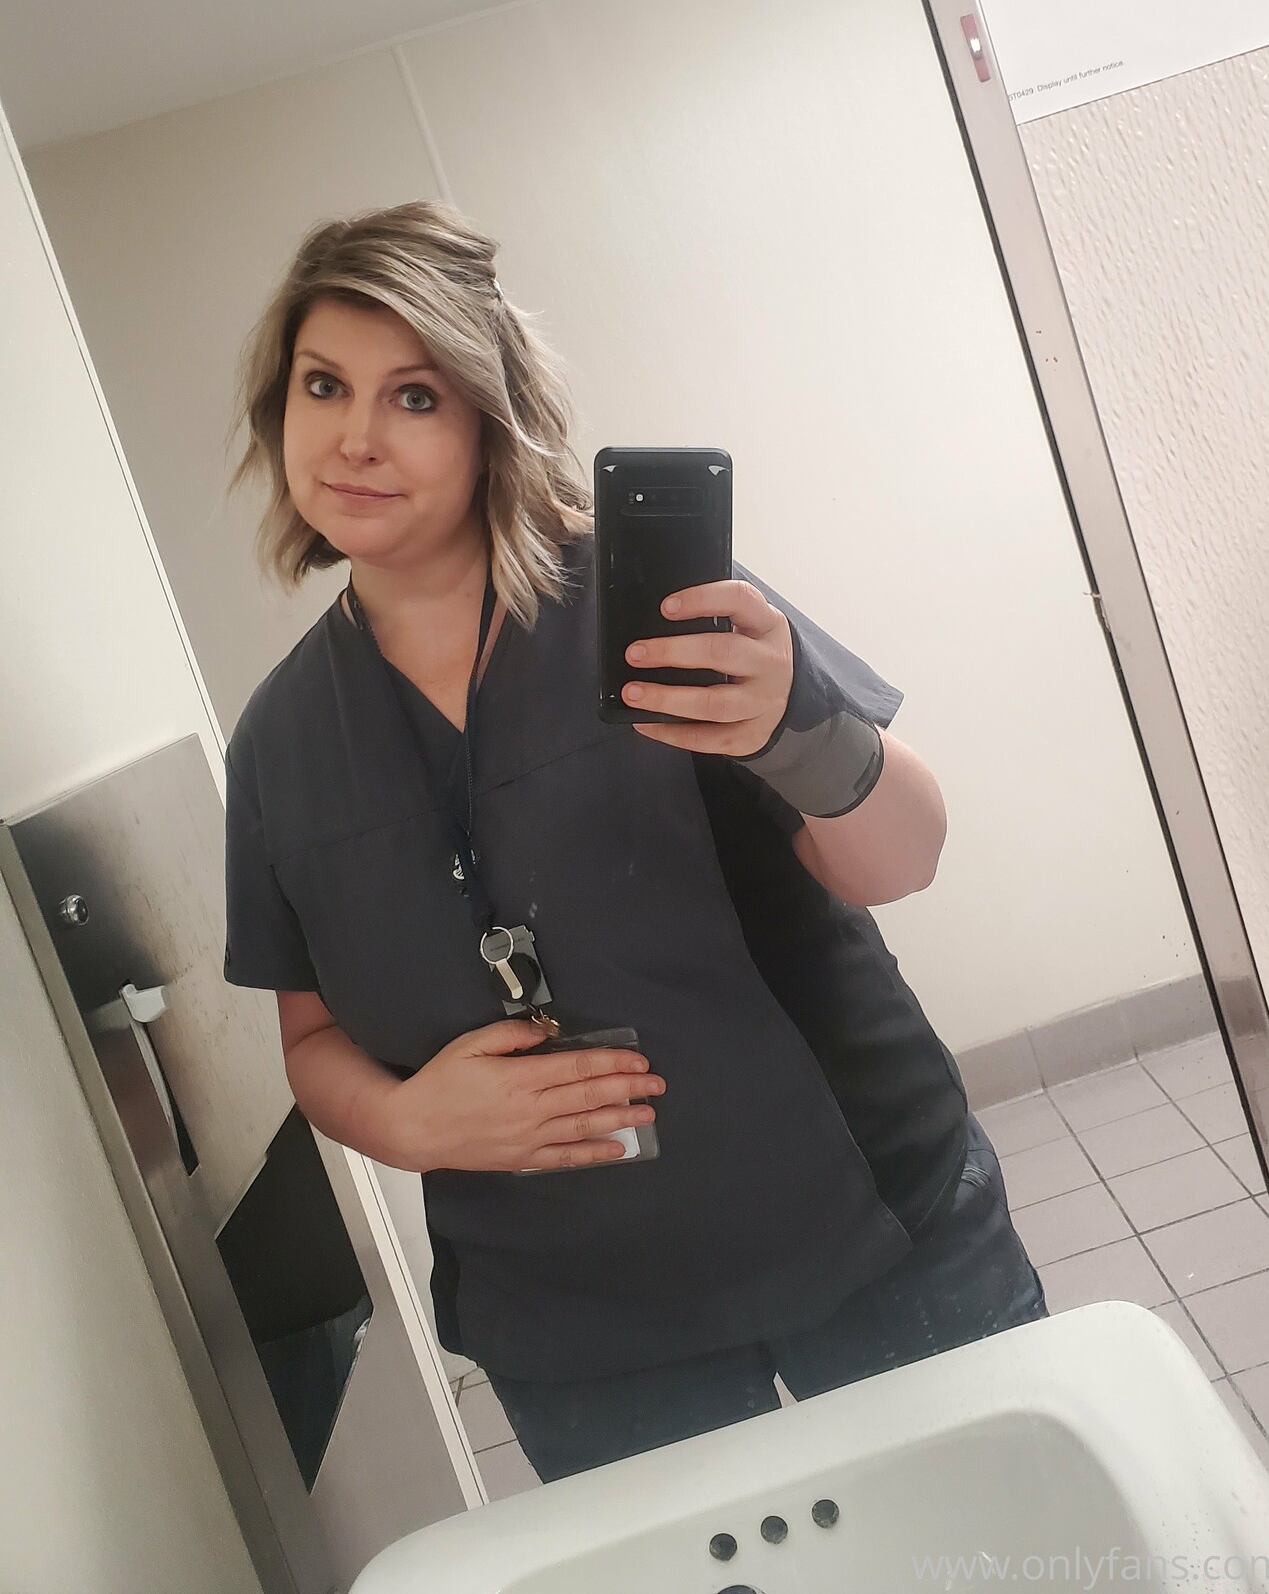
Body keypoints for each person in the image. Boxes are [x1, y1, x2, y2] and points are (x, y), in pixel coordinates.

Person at [223, 199, 1046, 1484]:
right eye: (323, 385)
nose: (355, 437)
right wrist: (411, 1123)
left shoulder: (652, 606)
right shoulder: (279, 745)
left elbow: (905, 855)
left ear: (488, 420)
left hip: (865, 1224)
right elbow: (312, 1039)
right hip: (581, 1327)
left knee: (1003, 1551)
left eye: (416, 396)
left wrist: (798, 727)